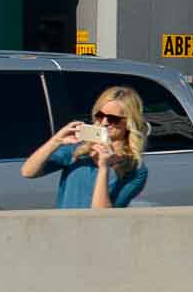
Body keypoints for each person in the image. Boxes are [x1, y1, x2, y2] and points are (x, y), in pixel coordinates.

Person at [21, 85, 150, 209]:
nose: (104, 122)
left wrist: (103, 168)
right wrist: (55, 141)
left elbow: (102, 214)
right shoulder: (79, 150)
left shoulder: (135, 169)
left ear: (129, 122)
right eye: (100, 116)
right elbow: (27, 172)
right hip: (64, 228)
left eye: (113, 119)